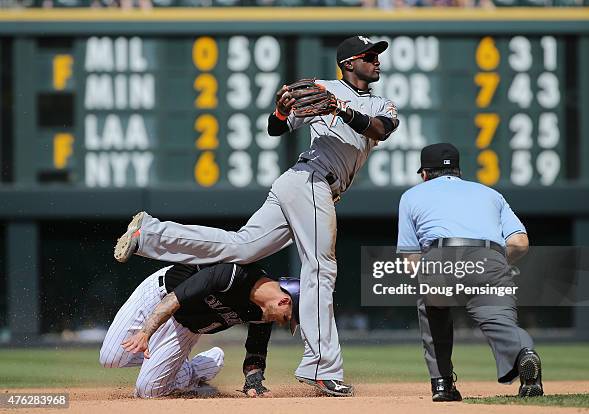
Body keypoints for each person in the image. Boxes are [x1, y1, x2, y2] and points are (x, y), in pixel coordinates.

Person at [112, 35, 399, 397]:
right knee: (321, 269)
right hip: (310, 181)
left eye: (376, 55)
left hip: (306, 185)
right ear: (348, 62)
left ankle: (150, 235)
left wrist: (340, 109)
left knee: (243, 247)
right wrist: (281, 111)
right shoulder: (320, 88)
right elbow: (276, 128)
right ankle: (323, 368)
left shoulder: (381, 103)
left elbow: (381, 130)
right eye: (369, 55)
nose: (376, 60)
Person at [397, 143, 543, 401]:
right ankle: (524, 355)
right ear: (458, 170)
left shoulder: (411, 196)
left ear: (424, 174)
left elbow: (411, 258)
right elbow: (520, 242)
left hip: (440, 256)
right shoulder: (490, 194)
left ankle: (442, 384)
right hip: (489, 256)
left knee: (433, 312)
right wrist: (494, 263)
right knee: (500, 321)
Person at [99, 261, 300, 398]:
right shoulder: (234, 274)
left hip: (185, 327)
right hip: (162, 297)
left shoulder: (264, 313)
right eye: (286, 318)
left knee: (148, 390)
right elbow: (174, 299)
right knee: (110, 359)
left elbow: (256, 351)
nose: (282, 324)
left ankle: (194, 370)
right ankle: (194, 365)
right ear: (284, 301)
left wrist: (254, 382)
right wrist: (145, 332)